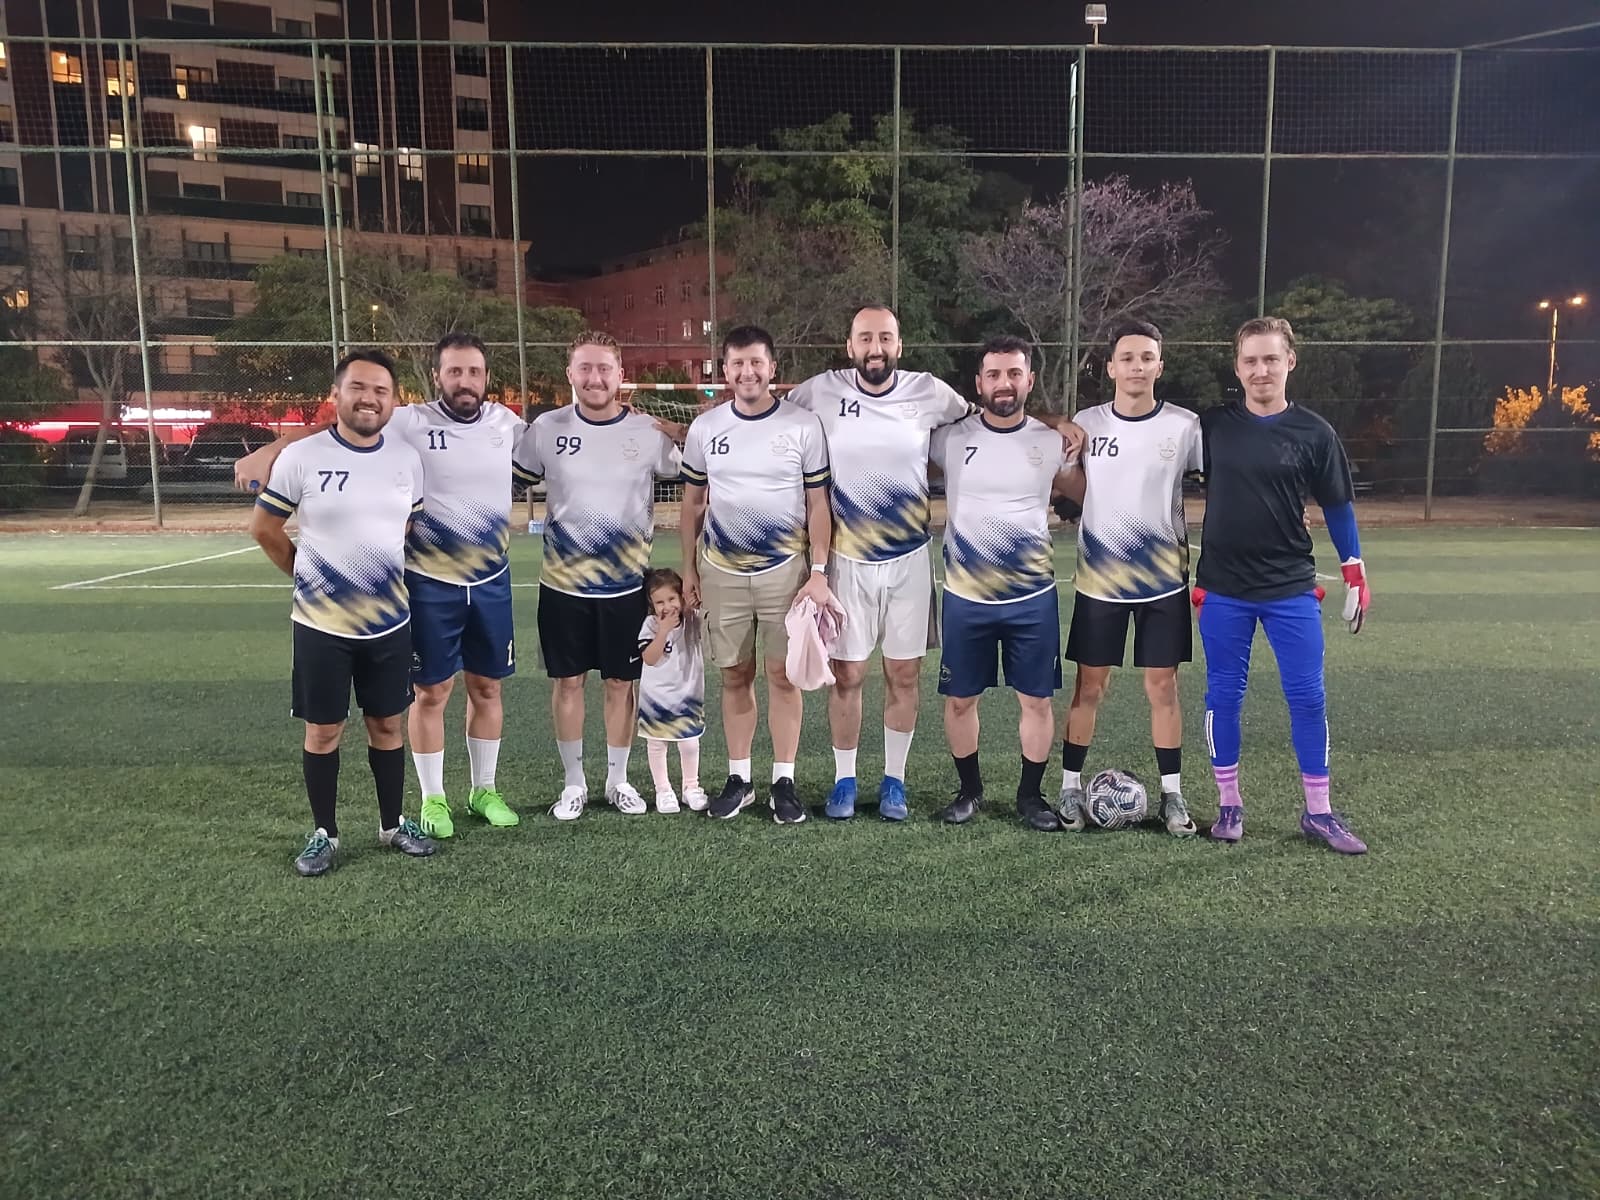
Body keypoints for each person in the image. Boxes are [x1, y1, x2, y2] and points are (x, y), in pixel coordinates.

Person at [235, 334, 527, 838]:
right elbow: (337, 426)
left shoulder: (508, 424)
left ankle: (484, 790)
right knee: (432, 691)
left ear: (486, 378)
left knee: (488, 687)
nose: (465, 381)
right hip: (428, 582)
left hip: (491, 581)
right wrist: (273, 448)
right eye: (454, 371)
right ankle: (433, 799)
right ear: (437, 377)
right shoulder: (408, 420)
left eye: (474, 372)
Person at [248, 349, 436, 876]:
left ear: (393, 401)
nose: (369, 398)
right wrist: (308, 576)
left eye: (380, 390)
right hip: (320, 627)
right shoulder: (301, 456)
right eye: (358, 387)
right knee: (324, 731)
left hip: (390, 624)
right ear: (336, 395)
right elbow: (263, 528)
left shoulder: (406, 460)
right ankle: (325, 834)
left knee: (388, 725)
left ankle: (393, 825)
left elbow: (404, 529)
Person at [785, 305, 971, 822]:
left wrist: (1056, 426)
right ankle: (844, 781)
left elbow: (981, 422)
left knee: (903, 676)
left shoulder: (928, 391)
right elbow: (771, 419)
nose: (875, 348)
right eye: (865, 338)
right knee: (847, 676)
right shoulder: (821, 391)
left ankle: (894, 781)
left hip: (910, 560)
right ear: (850, 346)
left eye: (885, 338)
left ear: (899, 345)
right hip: (847, 561)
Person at [1193, 316, 1372, 855]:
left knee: (1308, 697)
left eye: (1271, 359)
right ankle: (1229, 805)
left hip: (1290, 586)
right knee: (1224, 695)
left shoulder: (1315, 433)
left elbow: (1337, 506)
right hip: (1223, 587)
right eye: (1250, 360)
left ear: (1290, 361)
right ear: (1237, 367)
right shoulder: (1210, 427)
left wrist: (1354, 570)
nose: (1260, 370)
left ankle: (1318, 812)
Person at [513, 331, 684, 821]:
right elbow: (507, 478)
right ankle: (574, 784)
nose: (594, 378)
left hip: (626, 588)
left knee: (620, 685)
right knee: (567, 683)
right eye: (585, 368)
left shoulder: (647, 432)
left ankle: (617, 780)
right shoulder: (546, 429)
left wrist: (682, 431)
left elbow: (695, 470)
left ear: (620, 376)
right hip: (562, 587)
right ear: (570, 374)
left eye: (604, 368)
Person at [680, 324, 835, 824]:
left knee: (783, 677)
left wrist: (818, 570)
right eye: (738, 363)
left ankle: (783, 781)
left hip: (785, 571)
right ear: (725, 371)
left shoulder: (803, 426)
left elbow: (818, 504)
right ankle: (740, 779)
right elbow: (692, 505)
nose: (747, 372)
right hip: (721, 571)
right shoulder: (706, 428)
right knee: (734, 674)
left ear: (772, 368)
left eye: (756, 363)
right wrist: (688, 569)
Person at [1054, 320, 1202, 836]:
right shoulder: (1087, 423)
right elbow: (1074, 487)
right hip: (1100, 581)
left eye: (1147, 358)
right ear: (1111, 367)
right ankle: (1070, 787)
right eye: (1127, 358)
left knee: (1163, 687)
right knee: (1089, 686)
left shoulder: (1185, 427)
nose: (1137, 367)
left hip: (1164, 582)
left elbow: (1225, 481)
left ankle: (1173, 796)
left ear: (1160, 365)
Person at [930, 335, 1074, 832]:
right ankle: (969, 790)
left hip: (1031, 598)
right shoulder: (950, 439)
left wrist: (1059, 422)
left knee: (1036, 700)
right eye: (994, 374)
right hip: (965, 596)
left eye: (1014, 373)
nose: (1004, 383)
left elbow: (1084, 491)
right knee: (959, 700)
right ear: (979, 383)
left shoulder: (1051, 441)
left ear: (1029, 380)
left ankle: (1030, 796)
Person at [636, 568, 708, 814]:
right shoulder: (650, 625)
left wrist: (692, 605)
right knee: (657, 744)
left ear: (681, 597)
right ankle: (663, 790)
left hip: (687, 694)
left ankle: (691, 787)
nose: (667, 606)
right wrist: (663, 630)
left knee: (689, 743)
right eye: (659, 602)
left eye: (671, 599)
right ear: (651, 605)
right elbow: (650, 658)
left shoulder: (692, 620)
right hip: (656, 697)